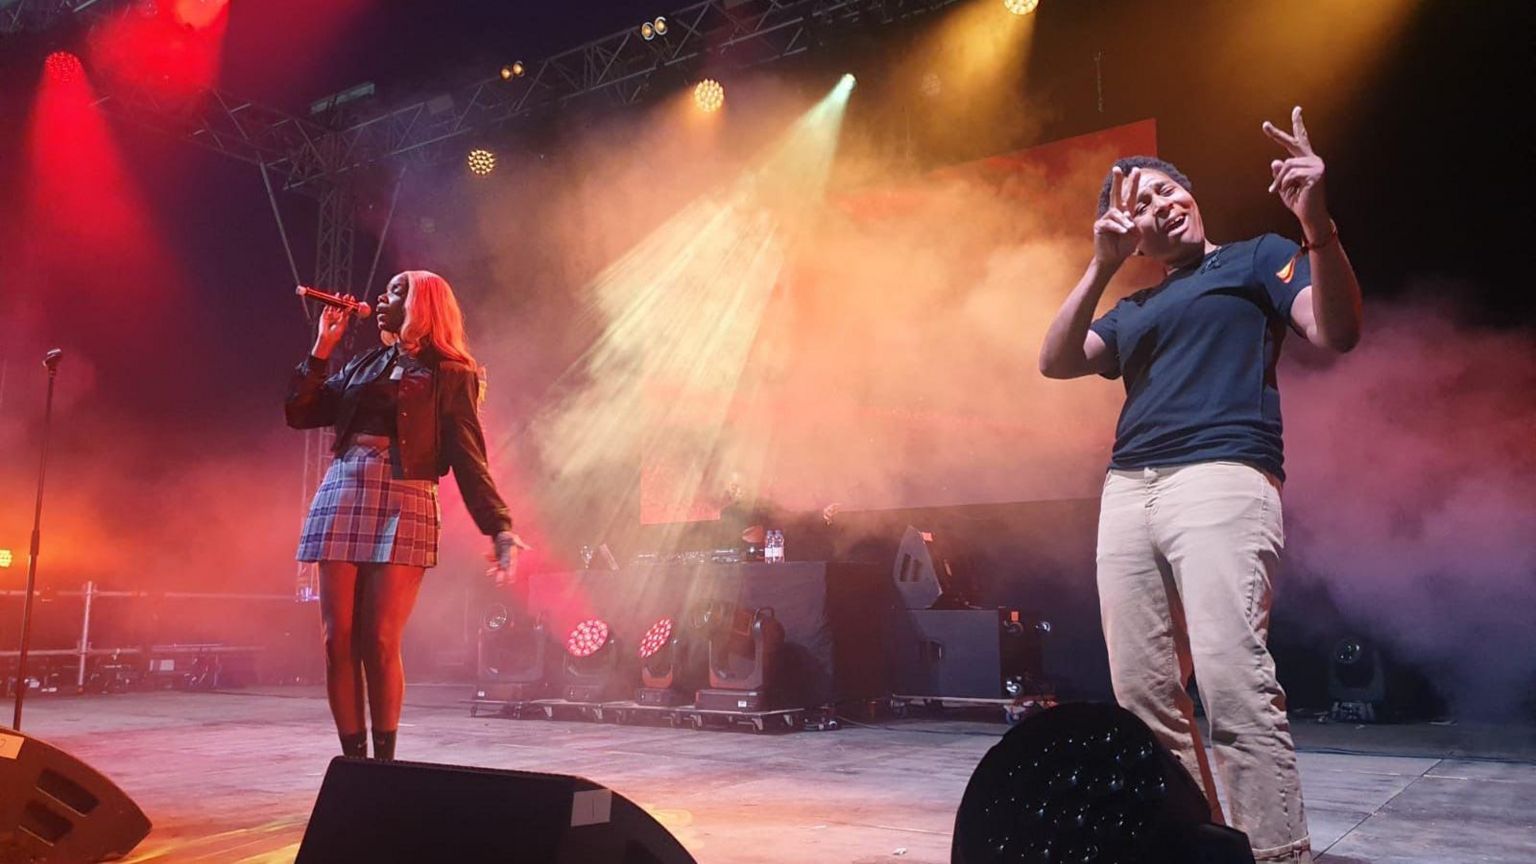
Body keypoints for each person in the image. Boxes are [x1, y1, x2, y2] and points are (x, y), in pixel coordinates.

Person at [1037, 107, 1362, 863]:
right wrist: (1101, 264)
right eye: (1140, 206)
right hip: (1128, 491)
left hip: (1221, 478)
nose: (1159, 206)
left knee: (1231, 681)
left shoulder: (1257, 259)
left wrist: (1317, 221)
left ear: (1191, 195)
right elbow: (1054, 360)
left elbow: (1336, 331)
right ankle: (1193, 850)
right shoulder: (1134, 306)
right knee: (1144, 699)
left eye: (1165, 191)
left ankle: (1277, 854)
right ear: (1134, 233)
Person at [285, 270, 524, 761]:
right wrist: (322, 348)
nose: (382, 297)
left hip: (406, 493)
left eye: (397, 290)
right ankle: (354, 762)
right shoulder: (366, 362)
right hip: (345, 488)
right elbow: (301, 412)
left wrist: (498, 524)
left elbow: (468, 456)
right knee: (337, 640)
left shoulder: (451, 374)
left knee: (379, 637)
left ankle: (385, 762)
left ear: (423, 305)